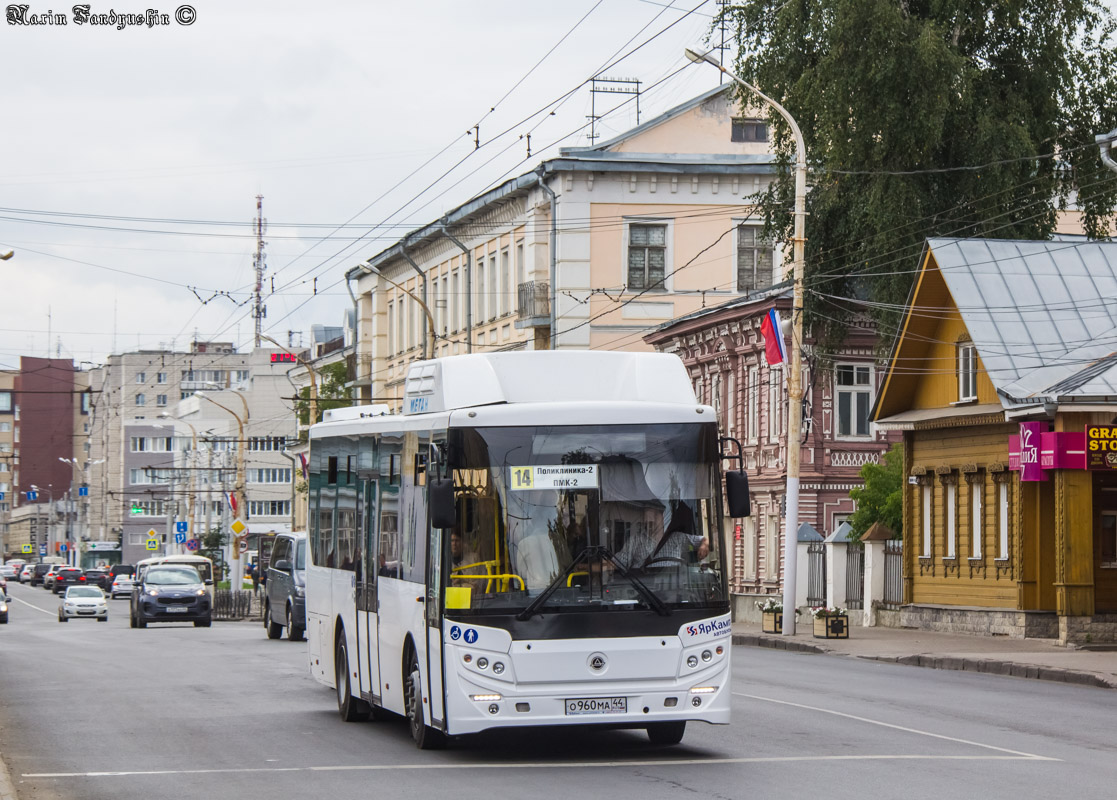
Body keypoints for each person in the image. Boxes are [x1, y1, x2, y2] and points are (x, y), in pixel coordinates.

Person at [614, 503, 708, 572]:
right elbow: (615, 563)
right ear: (643, 519)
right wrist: (601, 567)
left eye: (655, 515)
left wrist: (703, 546)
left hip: (673, 586)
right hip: (644, 588)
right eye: (647, 516)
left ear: (662, 517)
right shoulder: (635, 541)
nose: (651, 520)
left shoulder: (677, 537)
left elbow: (704, 540)